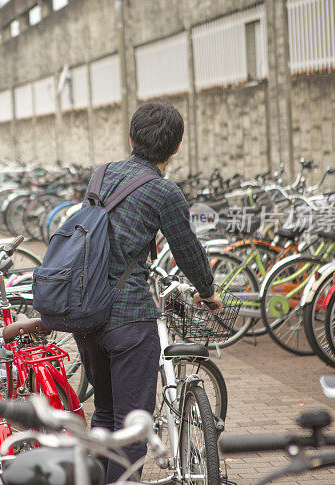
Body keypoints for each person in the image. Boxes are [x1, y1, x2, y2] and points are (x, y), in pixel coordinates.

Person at [73, 102, 223, 483]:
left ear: (131, 139)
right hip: (129, 321)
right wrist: (208, 291)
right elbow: (188, 251)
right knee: (133, 425)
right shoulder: (163, 192)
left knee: (105, 415)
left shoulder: (101, 175)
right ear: (175, 149)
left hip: (86, 314)